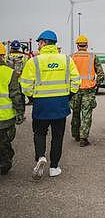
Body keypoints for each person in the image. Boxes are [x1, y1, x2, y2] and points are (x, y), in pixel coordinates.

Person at [20, 30, 80, 179]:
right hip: (60, 104)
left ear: (43, 43)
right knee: (58, 136)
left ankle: (41, 156)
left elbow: (26, 85)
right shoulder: (66, 60)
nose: (38, 46)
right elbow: (76, 81)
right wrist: (68, 96)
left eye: (39, 43)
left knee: (39, 133)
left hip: (41, 105)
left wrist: (33, 98)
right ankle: (54, 167)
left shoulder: (33, 61)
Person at [70, 34, 105, 146]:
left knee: (75, 113)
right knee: (86, 114)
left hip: (75, 90)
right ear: (86, 45)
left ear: (77, 45)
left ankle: (75, 134)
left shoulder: (71, 57)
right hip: (89, 90)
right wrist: (95, 85)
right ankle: (83, 138)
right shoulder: (92, 56)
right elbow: (100, 74)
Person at [0, 43, 25, 175]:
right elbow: (16, 95)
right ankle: (5, 164)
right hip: (6, 118)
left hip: (5, 117)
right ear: (3, 55)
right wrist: (20, 112)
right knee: (5, 142)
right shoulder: (10, 73)